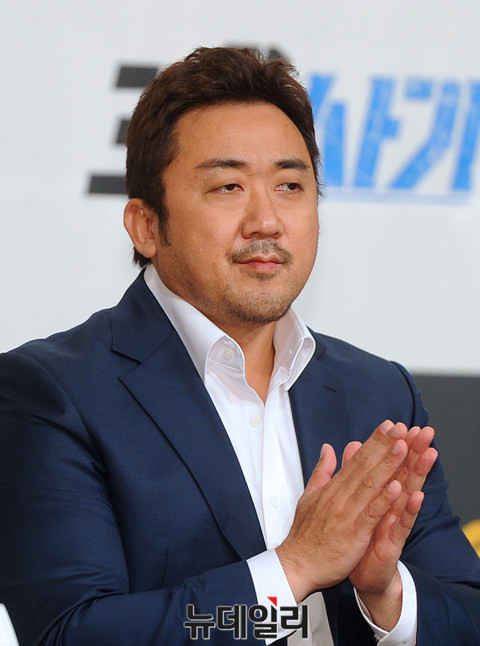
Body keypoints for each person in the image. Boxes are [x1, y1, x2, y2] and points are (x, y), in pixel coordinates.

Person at [0, 46, 479, 646]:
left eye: (290, 185)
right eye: (228, 186)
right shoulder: (55, 393)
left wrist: (385, 595)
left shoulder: (377, 391)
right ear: (146, 225)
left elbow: (467, 614)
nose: (267, 221)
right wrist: (293, 571)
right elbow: (69, 634)